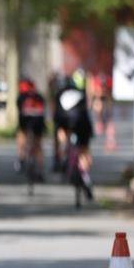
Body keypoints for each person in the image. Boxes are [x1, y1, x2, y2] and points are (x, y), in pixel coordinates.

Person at [53, 70, 95, 199]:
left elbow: (56, 115)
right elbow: (88, 110)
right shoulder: (82, 94)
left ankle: (64, 150)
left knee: (61, 131)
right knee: (84, 151)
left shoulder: (60, 93)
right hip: (82, 124)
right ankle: (86, 178)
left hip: (65, 122)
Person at [15, 77, 47, 179]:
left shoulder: (21, 96)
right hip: (38, 120)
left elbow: (19, 109)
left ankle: (21, 158)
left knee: (22, 135)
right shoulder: (39, 97)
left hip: (25, 120)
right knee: (38, 145)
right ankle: (40, 169)